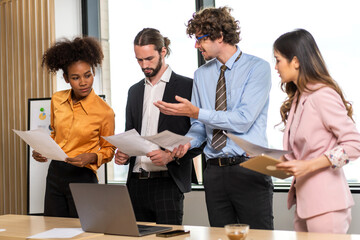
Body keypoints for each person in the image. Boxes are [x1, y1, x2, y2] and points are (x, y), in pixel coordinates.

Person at [154, 7, 274, 229]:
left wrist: (196, 112)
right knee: (220, 236)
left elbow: (243, 119)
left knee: (260, 236)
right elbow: (199, 126)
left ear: (219, 36)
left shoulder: (258, 68)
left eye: (200, 39)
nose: (196, 45)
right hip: (215, 172)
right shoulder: (201, 75)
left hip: (250, 168)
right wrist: (186, 142)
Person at [273, 29, 360, 233]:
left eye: (278, 60)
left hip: (327, 204)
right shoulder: (298, 98)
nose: (276, 67)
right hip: (304, 204)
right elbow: (303, 152)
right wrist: (274, 163)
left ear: (295, 61)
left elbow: (355, 145)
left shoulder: (322, 95)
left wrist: (309, 166)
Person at [114, 28, 201, 225]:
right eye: (139, 60)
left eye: (149, 58)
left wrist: (170, 155)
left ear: (163, 52)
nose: (144, 65)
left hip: (168, 182)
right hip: (135, 183)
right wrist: (124, 154)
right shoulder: (134, 91)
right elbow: (130, 135)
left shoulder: (188, 87)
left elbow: (200, 137)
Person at [32, 36, 116, 218]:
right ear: (66, 78)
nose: (83, 82)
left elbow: (109, 150)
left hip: (83, 177)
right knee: (52, 231)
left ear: (93, 72)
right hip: (55, 174)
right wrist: (42, 150)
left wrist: (93, 156)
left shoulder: (105, 112)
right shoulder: (57, 99)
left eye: (88, 75)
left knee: (84, 233)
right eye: (75, 77)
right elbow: (55, 134)